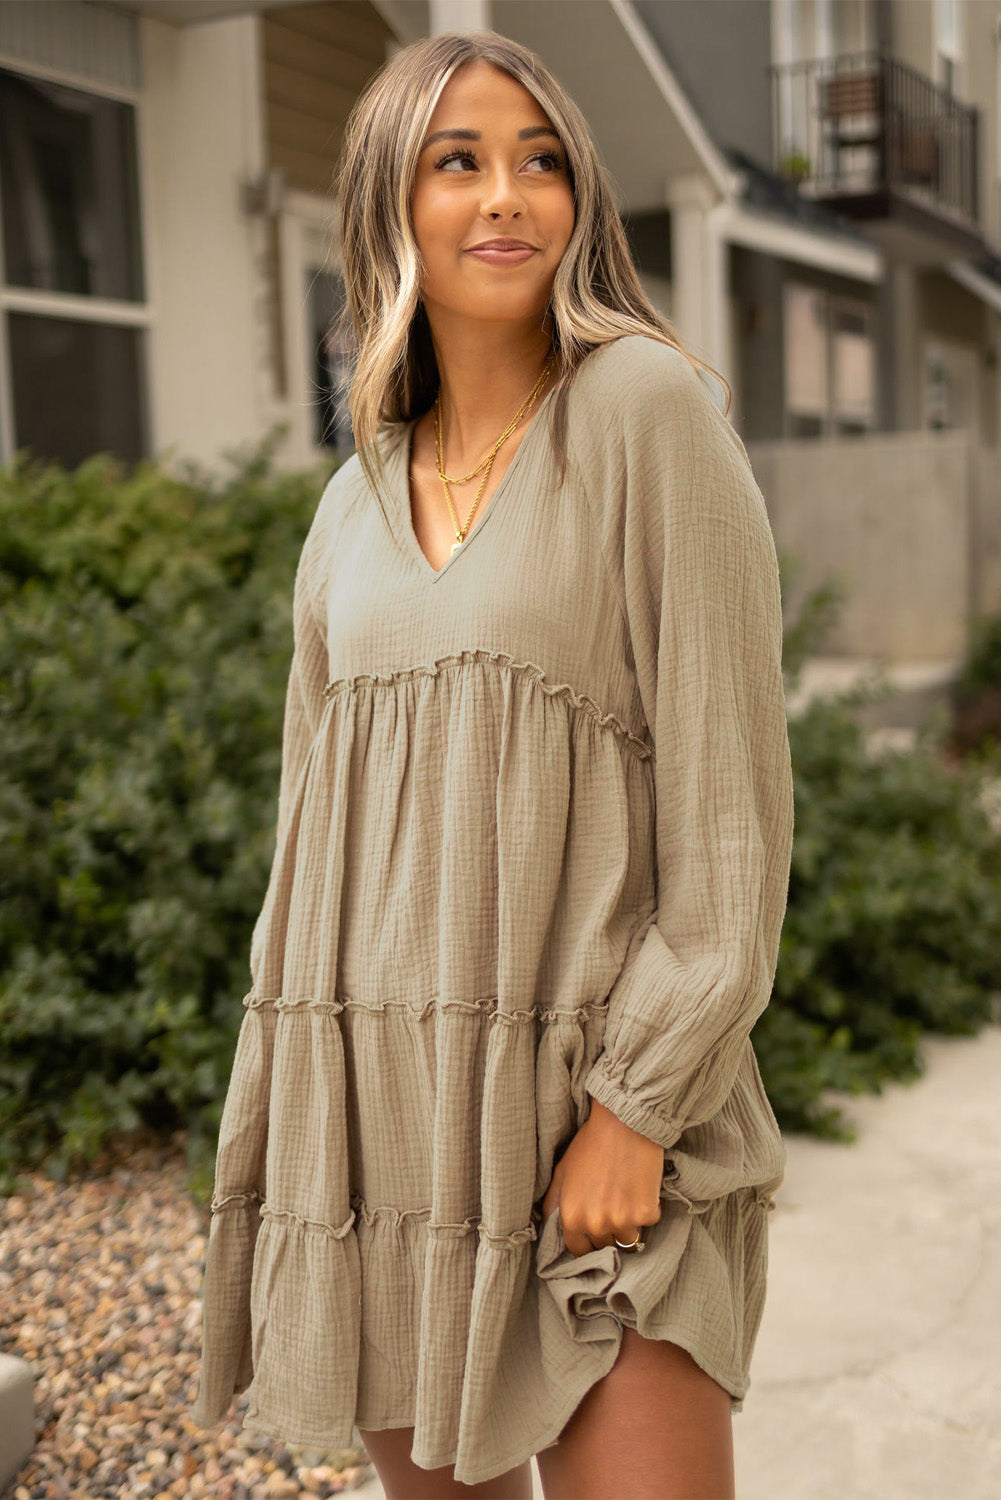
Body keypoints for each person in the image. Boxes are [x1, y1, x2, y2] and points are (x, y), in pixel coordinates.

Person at [190, 29, 795, 1500]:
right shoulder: (346, 506)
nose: (505, 193)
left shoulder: (644, 414)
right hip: (392, 1142)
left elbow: (729, 824)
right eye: (457, 161)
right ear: (389, 204)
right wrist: (295, 1135)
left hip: (599, 1137)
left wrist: (635, 1113)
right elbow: (307, 843)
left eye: (540, 162)